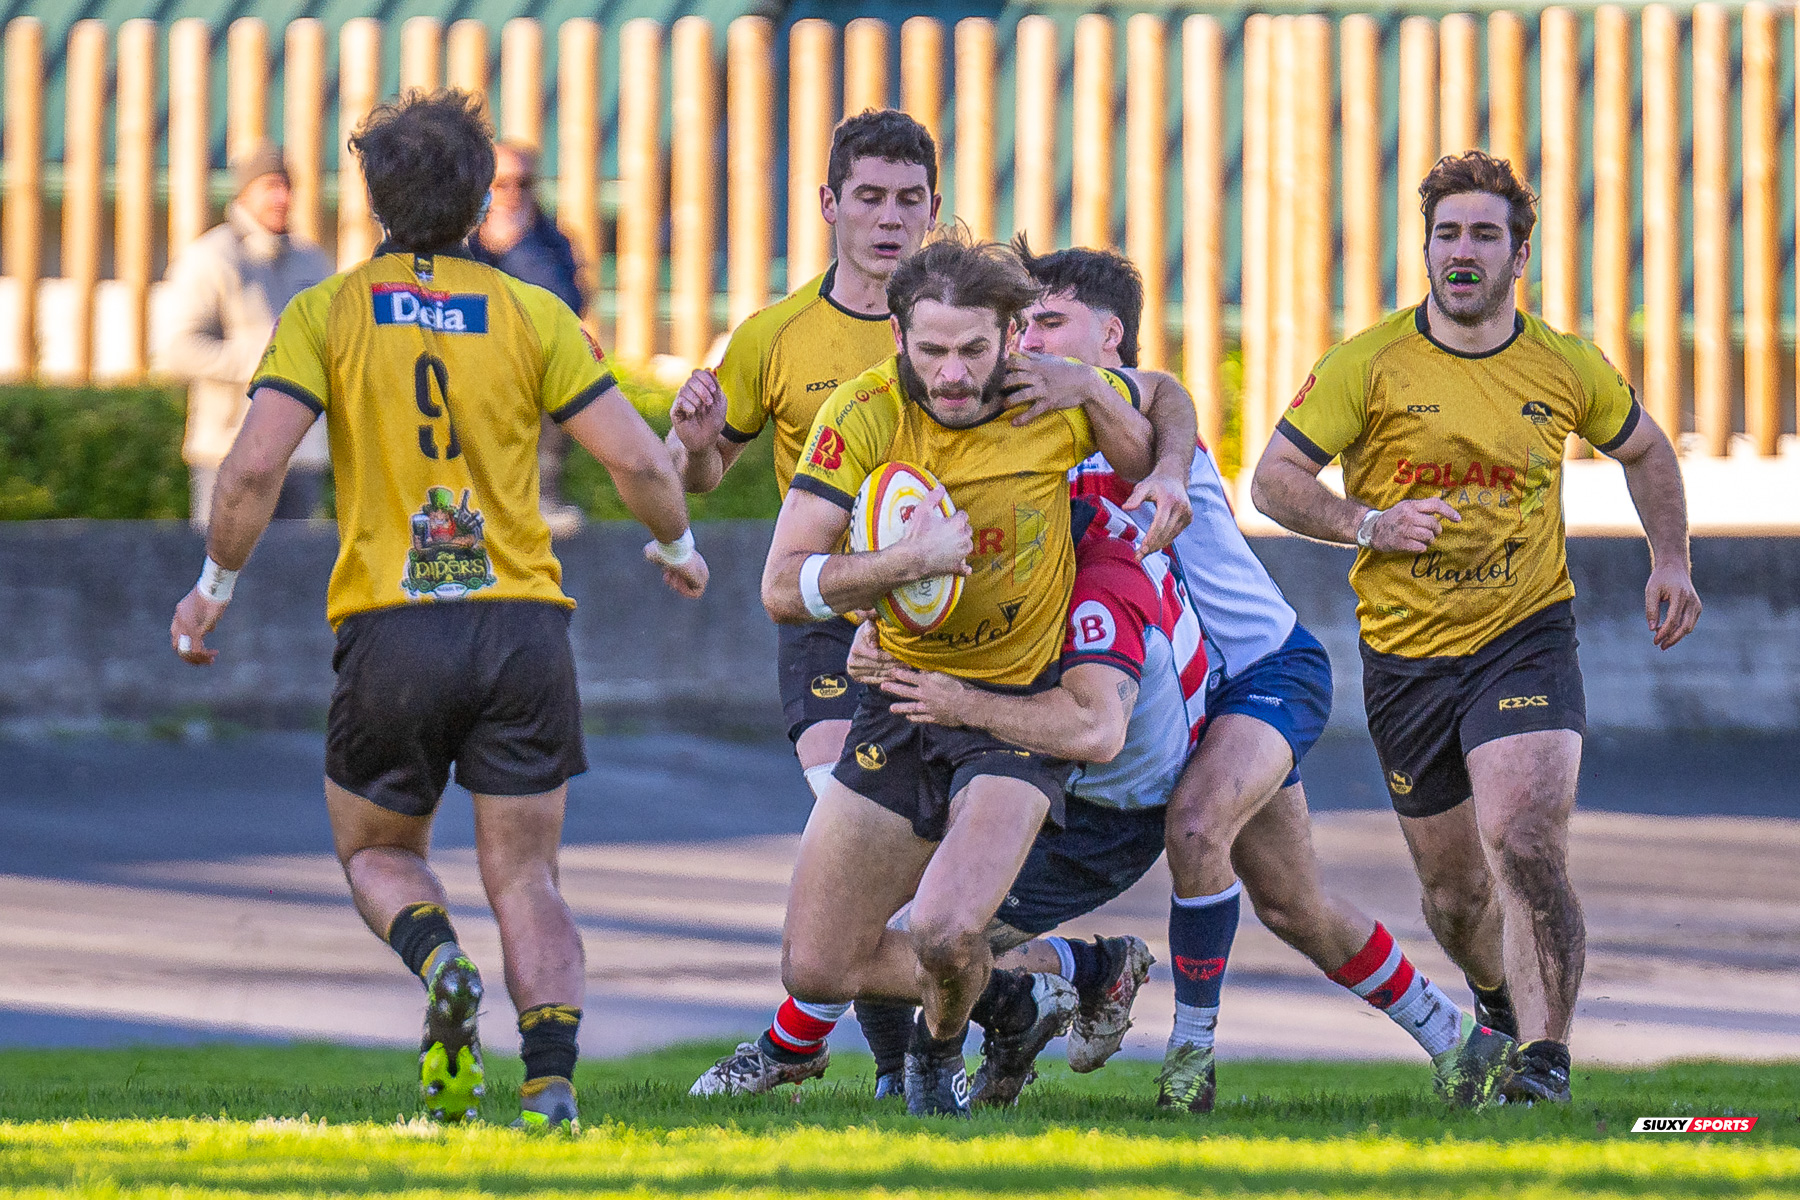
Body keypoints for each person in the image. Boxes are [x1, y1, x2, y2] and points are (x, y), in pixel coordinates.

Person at [167, 91, 710, 1133]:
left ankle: (439, 962)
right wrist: (678, 547)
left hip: (391, 627)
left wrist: (214, 588)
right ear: (476, 197)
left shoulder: (328, 310)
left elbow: (249, 471)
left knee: (377, 851)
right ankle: (549, 1084)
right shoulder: (532, 312)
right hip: (521, 625)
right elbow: (639, 457)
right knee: (527, 875)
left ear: (373, 191)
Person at [898, 245, 1516, 1112]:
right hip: (1175, 700)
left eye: (1047, 322)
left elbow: (1160, 409)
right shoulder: (1039, 421)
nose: (1024, 341)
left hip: (1261, 673)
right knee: (1296, 907)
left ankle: (1190, 1061)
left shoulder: (1133, 416)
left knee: (1195, 827)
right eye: (1021, 325)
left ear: (1110, 336)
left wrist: (1097, 401)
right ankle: (1460, 1040)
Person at [1252, 150, 1701, 1104]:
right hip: (1407, 657)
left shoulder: (1564, 363)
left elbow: (1647, 448)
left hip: (1526, 631)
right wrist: (1366, 525)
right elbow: (1274, 480)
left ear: (1519, 254)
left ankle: (1544, 1063)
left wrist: (1671, 559)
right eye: (1446, 234)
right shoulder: (1366, 363)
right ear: (1424, 251)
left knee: (1526, 837)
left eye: (1484, 235)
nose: (1463, 252)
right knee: (1455, 899)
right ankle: (1498, 1005)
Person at [756, 230, 1154, 1116]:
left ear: (1012, 337)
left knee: (943, 931)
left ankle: (937, 1060)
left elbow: (1152, 421)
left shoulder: (1050, 397)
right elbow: (783, 586)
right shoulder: (861, 414)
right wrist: (905, 562)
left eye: (974, 348)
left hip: (1015, 712)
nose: (951, 373)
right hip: (899, 704)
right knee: (817, 964)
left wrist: (1098, 391)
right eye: (930, 349)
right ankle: (1024, 998)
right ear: (896, 336)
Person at [157, 142, 332, 529]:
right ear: (243, 191)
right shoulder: (211, 257)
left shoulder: (312, 260)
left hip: (301, 453)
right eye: (270, 185)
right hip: (227, 450)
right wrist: (262, 359)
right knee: (219, 574)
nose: (281, 197)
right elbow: (177, 348)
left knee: (289, 574)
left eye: (287, 186)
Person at [470, 141, 591, 538]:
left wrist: (516, 248)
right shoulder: (461, 241)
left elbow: (566, 305)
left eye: (523, 183)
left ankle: (545, 496)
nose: (513, 195)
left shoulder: (546, 239)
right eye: (501, 184)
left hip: (530, 376)